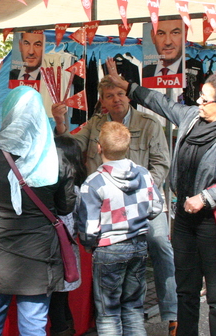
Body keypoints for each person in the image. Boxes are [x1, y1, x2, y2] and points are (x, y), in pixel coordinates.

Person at [106, 63, 216, 336]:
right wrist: (128, 87)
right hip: (186, 221)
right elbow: (159, 102)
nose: (198, 102)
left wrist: (206, 197)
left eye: (204, 99)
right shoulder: (191, 118)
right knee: (185, 290)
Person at [53, 74, 178, 335]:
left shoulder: (149, 123)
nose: (116, 99)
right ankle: (98, 311)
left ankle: (171, 313)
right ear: (103, 102)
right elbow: (72, 146)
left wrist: (138, 193)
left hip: (143, 201)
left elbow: (161, 165)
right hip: (105, 205)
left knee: (160, 245)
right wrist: (60, 123)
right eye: (110, 96)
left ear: (127, 96)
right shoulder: (95, 124)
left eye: (120, 94)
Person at [0, 86, 76, 336]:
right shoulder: (55, 158)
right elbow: (66, 206)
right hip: (39, 258)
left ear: (8, 113)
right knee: (34, 326)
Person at [76, 121, 163, 336]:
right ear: (128, 146)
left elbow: (88, 229)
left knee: (108, 313)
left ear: (99, 147)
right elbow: (156, 208)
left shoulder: (93, 183)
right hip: (139, 245)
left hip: (108, 249)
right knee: (133, 308)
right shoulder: (144, 174)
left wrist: (90, 245)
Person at [48, 136, 87, 336]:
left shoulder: (49, 189)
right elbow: (82, 223)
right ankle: (67, 329)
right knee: (61, 300)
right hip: (68, 252)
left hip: (54, 254)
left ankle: (64, 330)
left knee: (56, 301)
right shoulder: (79, 190)